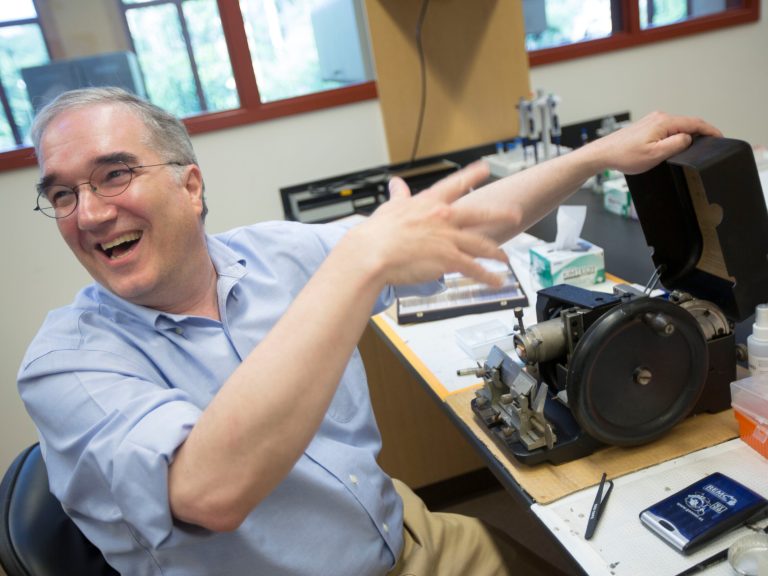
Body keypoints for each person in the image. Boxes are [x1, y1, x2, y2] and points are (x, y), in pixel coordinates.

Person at [18, 86, 721, 576]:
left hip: (402, 537)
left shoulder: (269, 255)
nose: (89, 213)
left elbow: (458, 229)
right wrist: (355, 267)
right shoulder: (67, 365)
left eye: (114, 175)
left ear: (190, 186)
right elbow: (210, 492)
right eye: (63, 194)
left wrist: (597, 155)